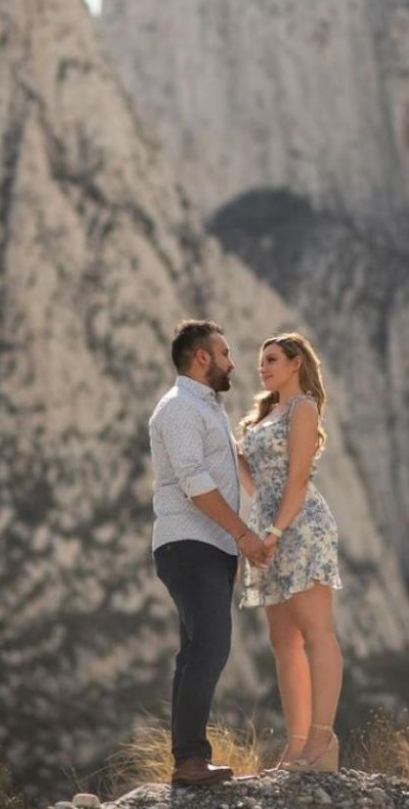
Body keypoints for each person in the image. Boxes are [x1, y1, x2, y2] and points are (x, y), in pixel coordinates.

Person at [149, 319, 270, 787]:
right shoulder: (180, 408)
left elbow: (226, 471)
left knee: (195, 652)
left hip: (209, 547)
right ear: (202, 357)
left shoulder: (207, 408)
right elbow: (195, 482)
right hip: (189, 544)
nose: (232, 363)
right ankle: (190, 761)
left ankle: (190, 758)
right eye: (224, 353)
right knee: (210, 649)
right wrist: (243, 536)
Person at [238, 333, 343, 772]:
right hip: (268, 529)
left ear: (296, 362)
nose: (262, 367)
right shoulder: (266, 414)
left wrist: (276, 532)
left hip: (299, 527)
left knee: (318, 633)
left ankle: (322, 739)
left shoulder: (303, 408)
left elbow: (297, 479)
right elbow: (257, 485)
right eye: (261, 361)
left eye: (272, 359)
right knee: (283, 642)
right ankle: (296, 744)